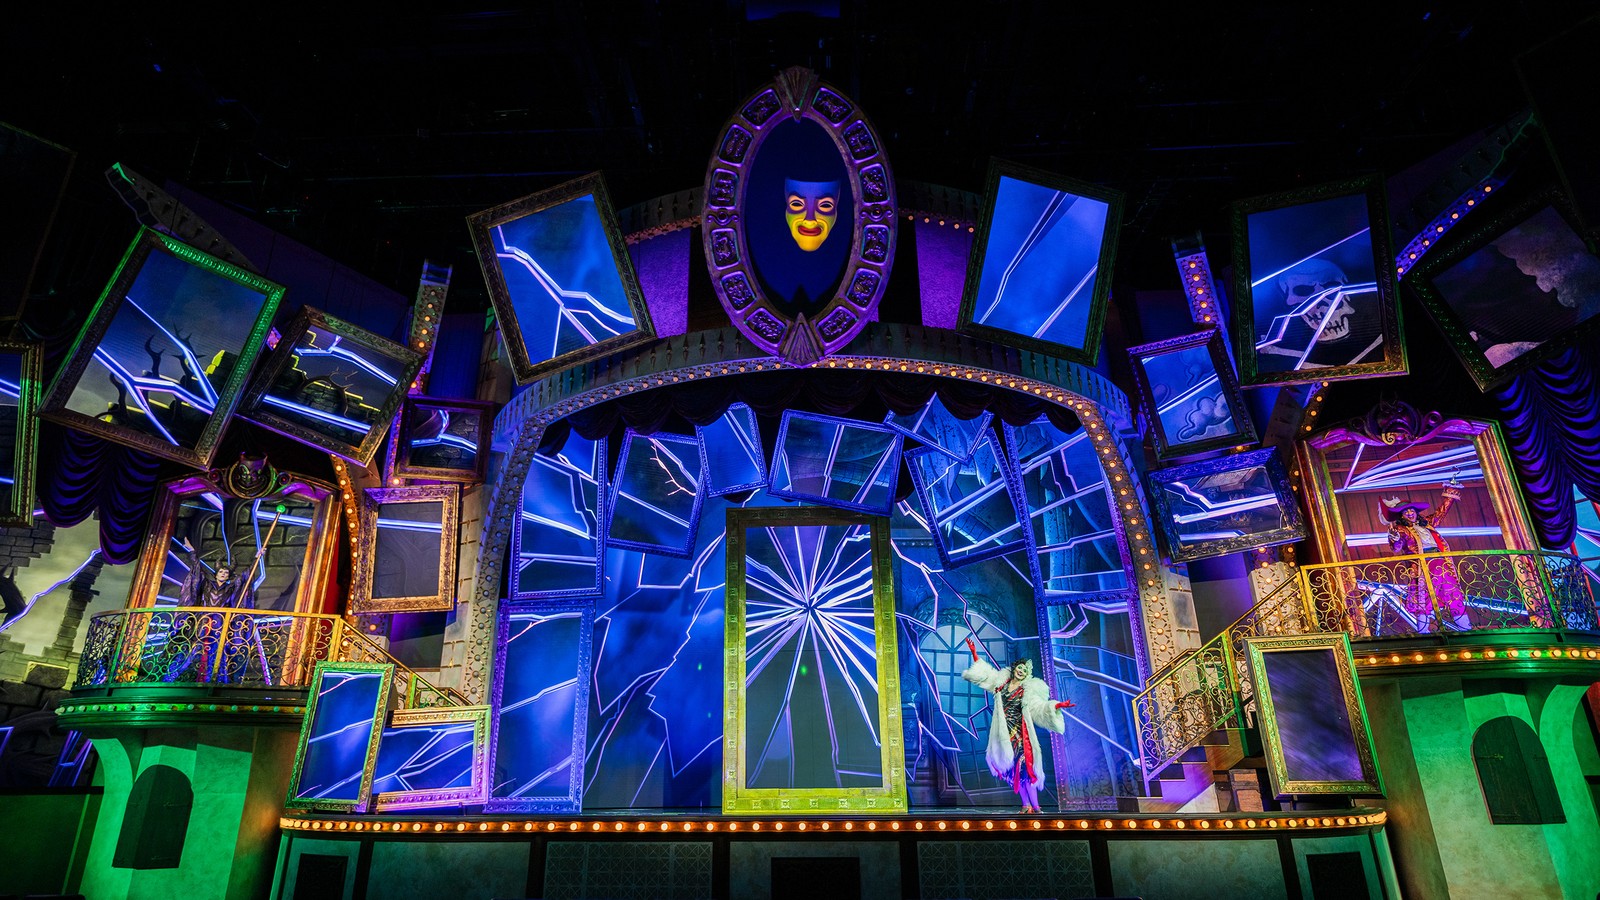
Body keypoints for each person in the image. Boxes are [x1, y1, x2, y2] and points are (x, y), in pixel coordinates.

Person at [961, 637, 1074, 814]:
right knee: (1014, 772)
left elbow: (1039, 707)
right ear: (1014, 668)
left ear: (1027, 674)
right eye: (1020, 668)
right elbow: (985, 675)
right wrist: (974, 653)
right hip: (1003, 733)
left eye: (1025, 670)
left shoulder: (1027, 690)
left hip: (1020, 735)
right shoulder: (1001, 683)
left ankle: (1036, 808)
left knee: (1026, 769)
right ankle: (1025, 805)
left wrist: (1057, 705)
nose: (1021, 671)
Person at [1381, 480, 1468, 630]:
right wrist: (1394, 538)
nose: (1410, 513)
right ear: (1402, 516)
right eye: (1406, 512)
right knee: (1423, 598)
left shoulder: (1427, 522)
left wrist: (1450, 492)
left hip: (1441, 562)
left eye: (1412, 511)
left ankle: (1466, 629)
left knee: (1452, 593)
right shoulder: (1401, 530)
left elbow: (1441, 512)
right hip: (1423, 566)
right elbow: (1397, 547)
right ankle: (1424, 632)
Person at [176, 537, 264, 609]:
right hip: (204, 618)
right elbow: (197, 569)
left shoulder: (230, 588)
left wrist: (256, 558)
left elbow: (246, 575)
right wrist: (192, 551)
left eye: (226, 573)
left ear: (228, 576)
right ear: (216, 575)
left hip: (221, 619)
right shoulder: (207, 584)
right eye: (221, 572)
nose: (223, 574)